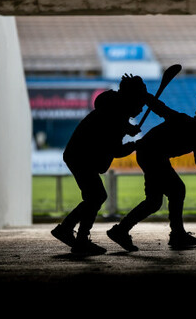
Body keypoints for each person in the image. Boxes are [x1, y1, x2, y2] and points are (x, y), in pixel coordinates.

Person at [107, 95, 196, 251]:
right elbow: (159, 107)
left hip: (151, 155)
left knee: (154, 202)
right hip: (151, 154)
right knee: (177, 190)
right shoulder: (183, 121)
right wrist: (144, 95)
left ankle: (121, 230)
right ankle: (177, 234)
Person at [51, 74, 148, 255]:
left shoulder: (114, 110)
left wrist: (128, 129)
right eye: (140, 103)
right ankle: (79, 239)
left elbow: (112, 124)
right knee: (96, 197)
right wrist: (135, 144)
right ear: (132, 99)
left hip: (77, 154)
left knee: (94, 197)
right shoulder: (116, 117)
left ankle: (68, 230)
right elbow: (116, 150)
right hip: (81, 156)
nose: (142, 108)